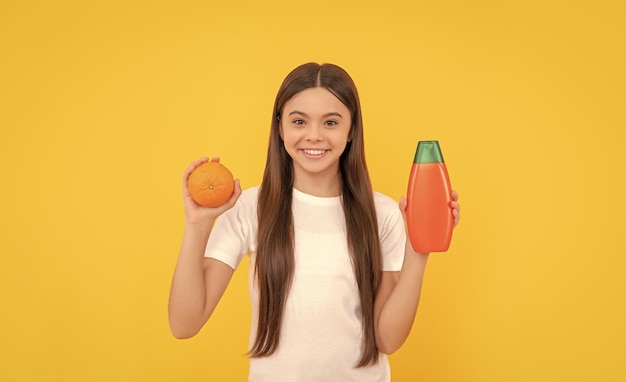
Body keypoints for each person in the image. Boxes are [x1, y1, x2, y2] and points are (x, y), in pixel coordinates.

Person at [168, 62, 461, 381]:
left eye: (331, 122)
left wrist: (419, 249)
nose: (314, 135)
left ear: (351, 130)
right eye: (299, 121)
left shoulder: (383, 214)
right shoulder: (251, 207)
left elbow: (387, 340)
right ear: (280, 128)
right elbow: (184, 325)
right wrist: (197, 225)